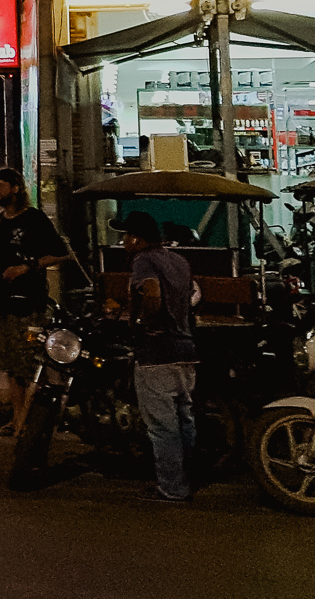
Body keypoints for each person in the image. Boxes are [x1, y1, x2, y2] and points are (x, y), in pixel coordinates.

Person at [122, 209, 198, 502]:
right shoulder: (178, 260)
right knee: (184, 421)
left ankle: (172, 488)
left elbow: (151, 292)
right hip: (186, 349)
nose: (124, 241)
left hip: (157, 351)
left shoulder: (144, 260)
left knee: (163, 428)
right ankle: (189, 478)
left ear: (138, 239)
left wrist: (144, 322)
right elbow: (192, 295)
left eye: (126, 235)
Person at [0, 168, 70, 438]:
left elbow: (61, 253)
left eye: (0, 185)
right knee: (11, 365)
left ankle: (33, 421)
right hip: (1, 301)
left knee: (30, 364)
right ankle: (16, 419)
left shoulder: (33, 218)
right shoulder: (1, 220)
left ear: (15, 188)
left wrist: (27, 267)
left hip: (27, 303)